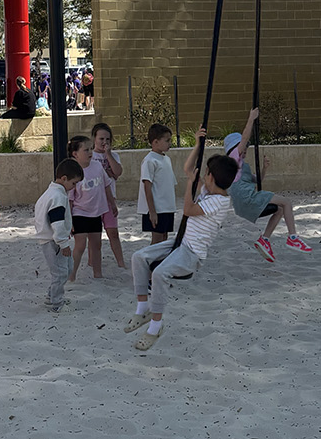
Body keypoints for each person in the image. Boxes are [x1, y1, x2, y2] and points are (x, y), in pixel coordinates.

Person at [128, 130, 237, 349]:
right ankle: (142, 310)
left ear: (211, 177)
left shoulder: (220, 202)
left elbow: (188, 209)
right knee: (138, 257)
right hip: (180, 242)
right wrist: (198, 144)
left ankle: (155, 328)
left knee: (159, 273)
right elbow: (188, 170)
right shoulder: (209, 190)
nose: (203, 175)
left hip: (191, 254)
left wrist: (189, 186)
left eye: (206, 173)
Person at [223, 108, 311, 261]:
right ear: (233, 149)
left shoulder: (242, 166)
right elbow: (244, 138)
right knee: (287, 202)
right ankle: (293, 237)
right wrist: (251, 118)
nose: (244, 151)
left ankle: (264, 239)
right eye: (241, 148)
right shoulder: (232, 160)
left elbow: (258, 180)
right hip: (247, 197)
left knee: (279, 209)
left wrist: (264, 168)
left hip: (243, 202)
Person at [34, 157, 84, 312]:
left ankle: (52, 296)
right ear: (64, 178)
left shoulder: (52, 193)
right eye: (73, 183)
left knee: (66, 269)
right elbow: (56, 221)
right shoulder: (57, 196)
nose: (74, 187)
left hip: (54, 238)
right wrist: (63, 243)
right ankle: (56, 303)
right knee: (60, 272)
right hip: (53, 241)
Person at [68, 132, 110, 281]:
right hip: (80, 213)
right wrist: (70, 220)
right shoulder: (73, 172)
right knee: (80, 246)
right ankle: (71, 275)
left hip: (96, 213)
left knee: (96, 244)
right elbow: (70, 200)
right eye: (86, 150)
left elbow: (106, 185)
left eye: (91, 149)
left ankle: (98, 273)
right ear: (75, 154)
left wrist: (112, 203)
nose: (90, 152)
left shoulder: (97, 166)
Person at [91, 120, 127, 268]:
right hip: (93, 201)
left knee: (113, 232)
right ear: (94, 139)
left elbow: (117, 172)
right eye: (101, 139)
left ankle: (120, 262)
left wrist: (108, 155)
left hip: (109, 199)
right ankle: (92, 262)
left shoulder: (113, 156)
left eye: (107, 139)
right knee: (94, 236)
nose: (104, 142)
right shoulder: (90, 156)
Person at [137, 121, 177, 245]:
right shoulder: (150, 161)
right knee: (157, 239)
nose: (170, 143)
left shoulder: (167, 159)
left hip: (167, 207)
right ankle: (152, 263)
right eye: (167, 140)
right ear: (155, 142)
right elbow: (147, 187)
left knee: (164, 238)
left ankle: (161, 263)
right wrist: (152, 211)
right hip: (157, 208)